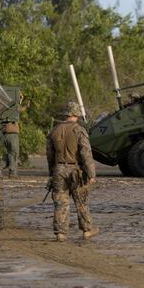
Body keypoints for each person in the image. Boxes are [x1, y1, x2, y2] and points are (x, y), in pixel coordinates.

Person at [46, 101, 98, 242]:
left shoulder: (54, 130)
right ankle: (87, 230)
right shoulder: (79, 130)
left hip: (58, 169)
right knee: (81, 201)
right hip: (76, 170)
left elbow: (49, 155)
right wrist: (91, 174)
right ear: (76, 114)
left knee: (60, 202)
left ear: (66, 114)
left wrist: (52, 172)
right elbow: (86, 153)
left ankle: (60, 233)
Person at [3, 90, 27, 178]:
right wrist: (25, 105)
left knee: (11, 153)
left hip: (6, 133)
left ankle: (9, 169)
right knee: (14, 153)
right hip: (12, 133)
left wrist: (23, 103)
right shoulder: (11, 107)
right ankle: (12, 172)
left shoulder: (3, 106)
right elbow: (19, 109)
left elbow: (19, 107)